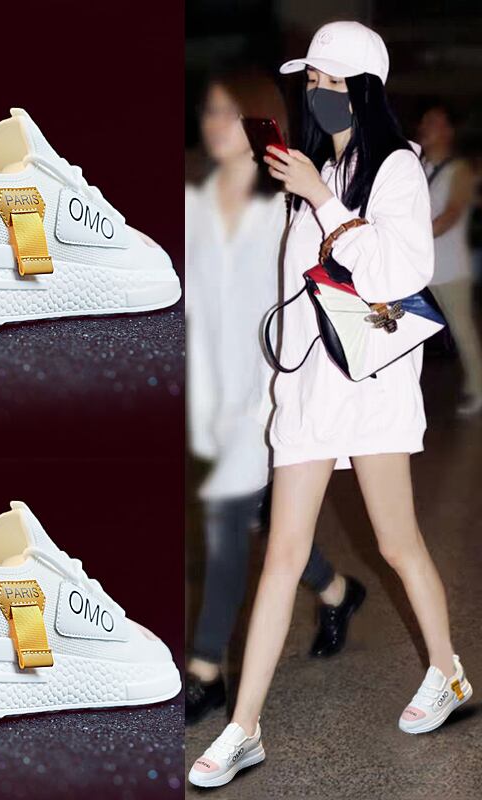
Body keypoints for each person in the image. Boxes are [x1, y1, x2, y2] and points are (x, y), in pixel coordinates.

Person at [189, 21, 472, 789]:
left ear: (365, 92)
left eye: (330, 82)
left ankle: (447, 672)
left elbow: (397, 274)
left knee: (397, 543)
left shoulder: (396, 169)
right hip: (310, 393)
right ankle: (244, 728)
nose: (316, 94)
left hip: (370, 386)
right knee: (282, 554)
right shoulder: (314, 172)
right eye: (310, 81)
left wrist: (323, 201)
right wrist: (269, 395)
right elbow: (290, 297)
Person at [185, 66, 365, 726]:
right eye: (209, 111)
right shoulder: (197, 200)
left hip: (268, 389)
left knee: (229, 525)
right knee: (262, 515)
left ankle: (204, 672)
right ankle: (338, 591)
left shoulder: (287, 204)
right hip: (213, 392)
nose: (214, 124)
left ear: (261, 122)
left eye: (229, 113)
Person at [418, 101, 482, 416]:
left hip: (450, 268)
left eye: (433, 122)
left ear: (448, 131)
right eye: (425, 121)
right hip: (419, 268)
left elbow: (452, 214)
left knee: (462, 331)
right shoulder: (417, 166)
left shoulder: (460, 171)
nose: (425, 127)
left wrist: (410, 239)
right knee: (406, 331)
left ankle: (478, 389)